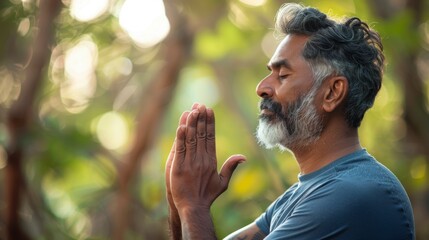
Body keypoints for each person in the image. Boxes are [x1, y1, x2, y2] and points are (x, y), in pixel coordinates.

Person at [165, 3, 415, 240]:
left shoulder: (354, 193)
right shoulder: (301, 196)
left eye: (283, 75)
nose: (261, 88)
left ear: (332, 93)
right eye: (269, 73)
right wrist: (180, 198)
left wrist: (193, 206)